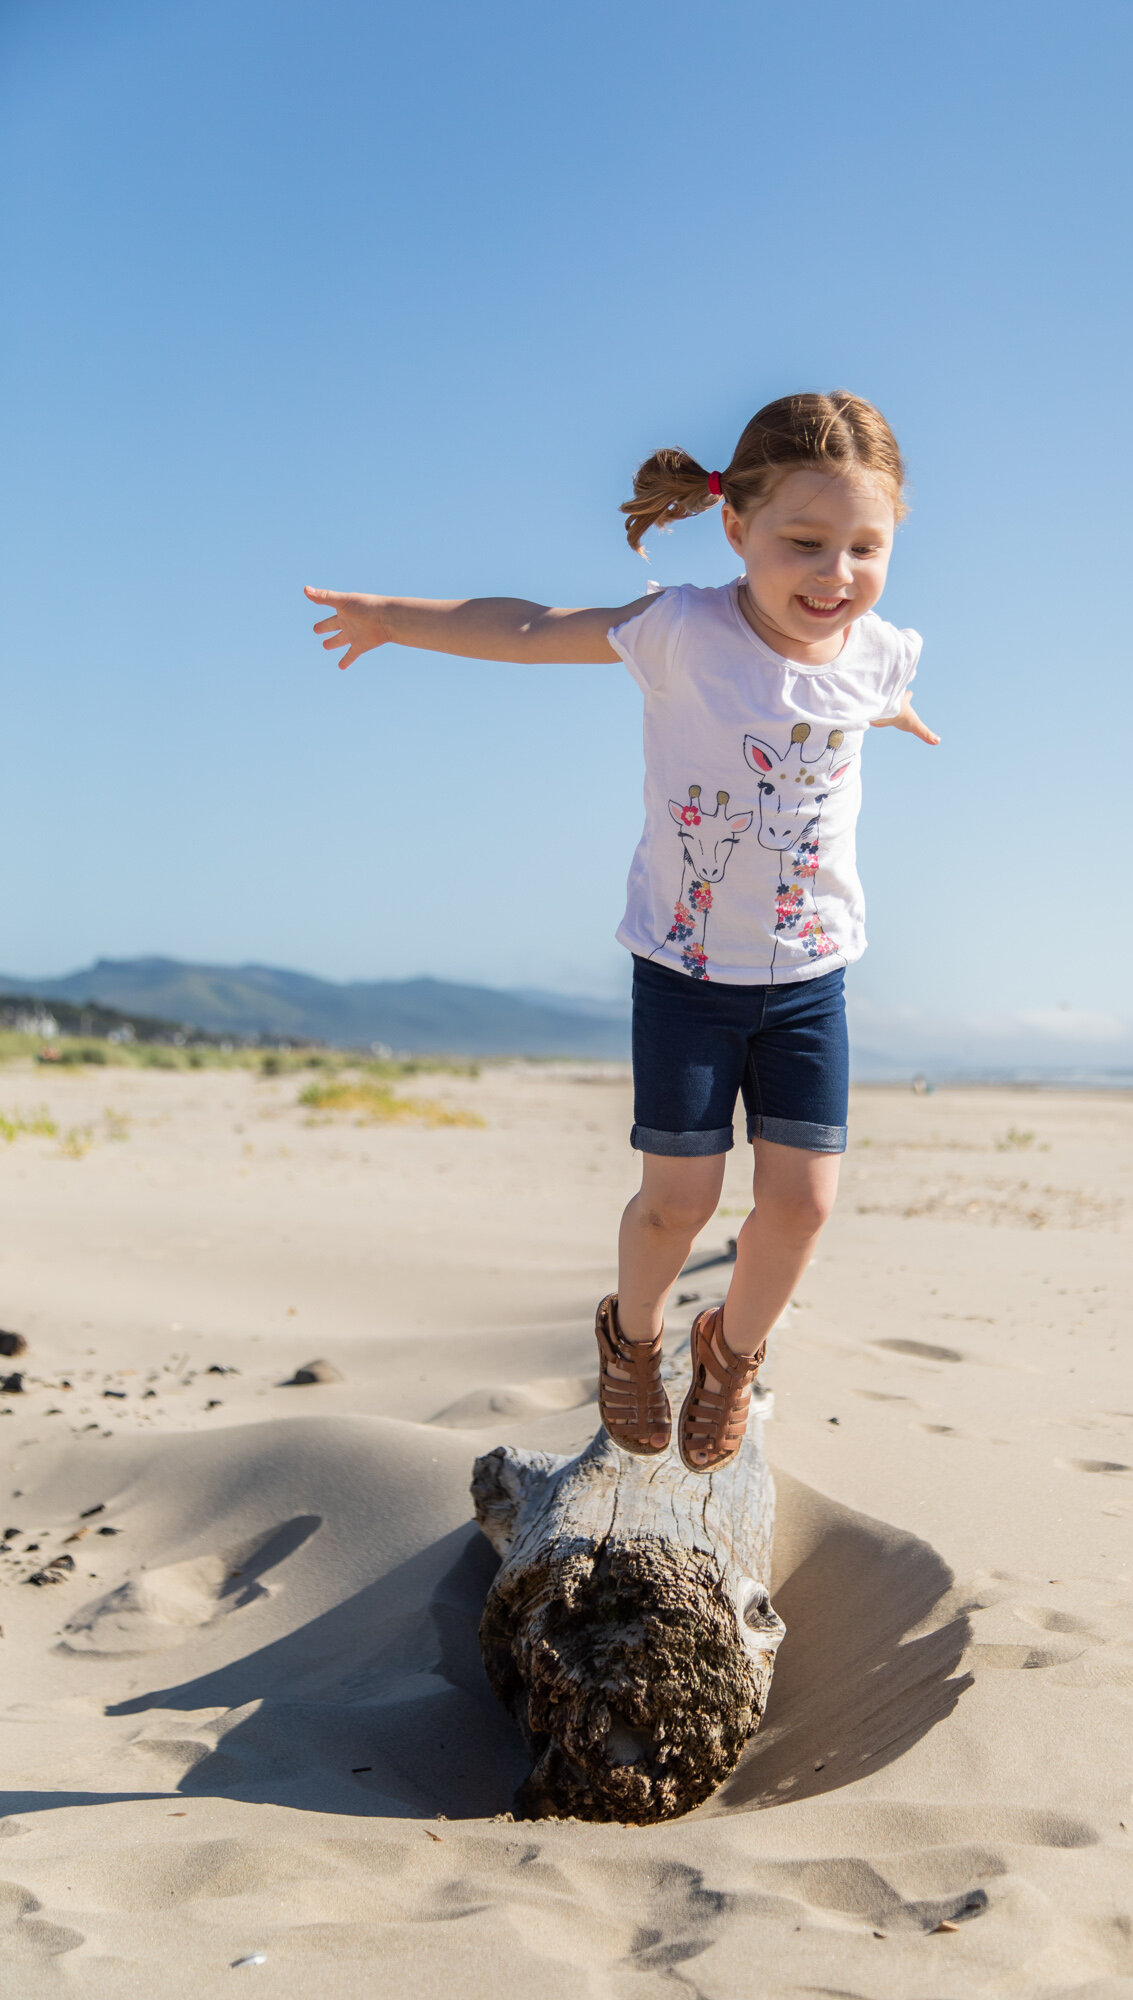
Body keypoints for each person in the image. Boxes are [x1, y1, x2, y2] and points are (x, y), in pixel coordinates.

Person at [305, 392, 937, 1472]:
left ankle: (731, 1353)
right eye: (804, 542)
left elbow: (858, 691)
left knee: (802, 1204)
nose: (835, 574)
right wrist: (394, 616)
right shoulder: (680, 629)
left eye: (863, 547)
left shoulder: (878, 649)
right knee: (675, 1202)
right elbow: (526, 629)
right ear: (734, 528)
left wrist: (895, 708)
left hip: (810, 978)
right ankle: (632, 1339)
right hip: (687, 975)